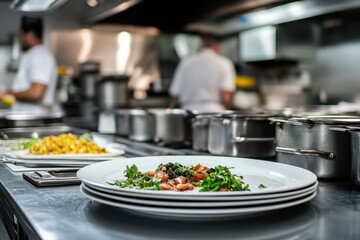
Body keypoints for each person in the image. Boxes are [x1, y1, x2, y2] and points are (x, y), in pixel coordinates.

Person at [0, 16, 58, 113]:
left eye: (20, 35)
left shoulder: (39, 55)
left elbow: (36, 93)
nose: (20, 39)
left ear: (29, 34)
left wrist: (6, 94)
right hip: (29, 119)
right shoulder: (34, 54)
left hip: (34, 119)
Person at [169, 35, 236, 112]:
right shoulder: (225, 63)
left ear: (200, 44)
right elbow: (226, 97)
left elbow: (174, 96)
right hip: (215, 113)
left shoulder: (186, 63)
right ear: (217, 46)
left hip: (189, 112)